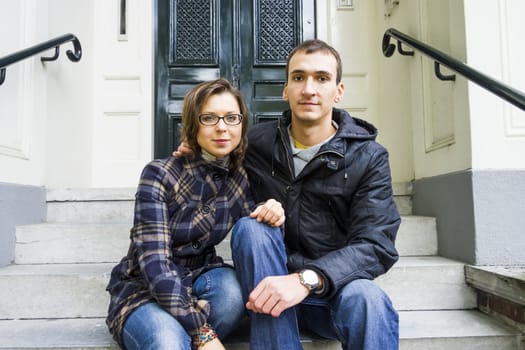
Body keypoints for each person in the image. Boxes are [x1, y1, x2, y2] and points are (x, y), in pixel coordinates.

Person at [175, 39, 401, 349]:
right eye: (298, 77)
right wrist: (196, 153)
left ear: (338, 91)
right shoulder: (254, 144)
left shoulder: (368, 157)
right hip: (267, 296)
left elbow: (376, 245)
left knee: (369, 299)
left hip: (331, 294)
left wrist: (305, 279)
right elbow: (215, 158)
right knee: (252, 228)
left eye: (321, 78)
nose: (309, 89)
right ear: (286, 89)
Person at [106, 78, 285, 350]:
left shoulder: (241, 179)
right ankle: (176, 330)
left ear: (242, 124)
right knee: (167, 342)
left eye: (231, 118)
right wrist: (203, 332)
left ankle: (182, 326)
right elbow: (154, 264)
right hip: (144, 289)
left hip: (201, 276)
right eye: (209, 118)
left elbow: (258, 230)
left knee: (231, 295)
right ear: (193, 124)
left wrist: (273, 211)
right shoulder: (160, 174)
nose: (222, 127)